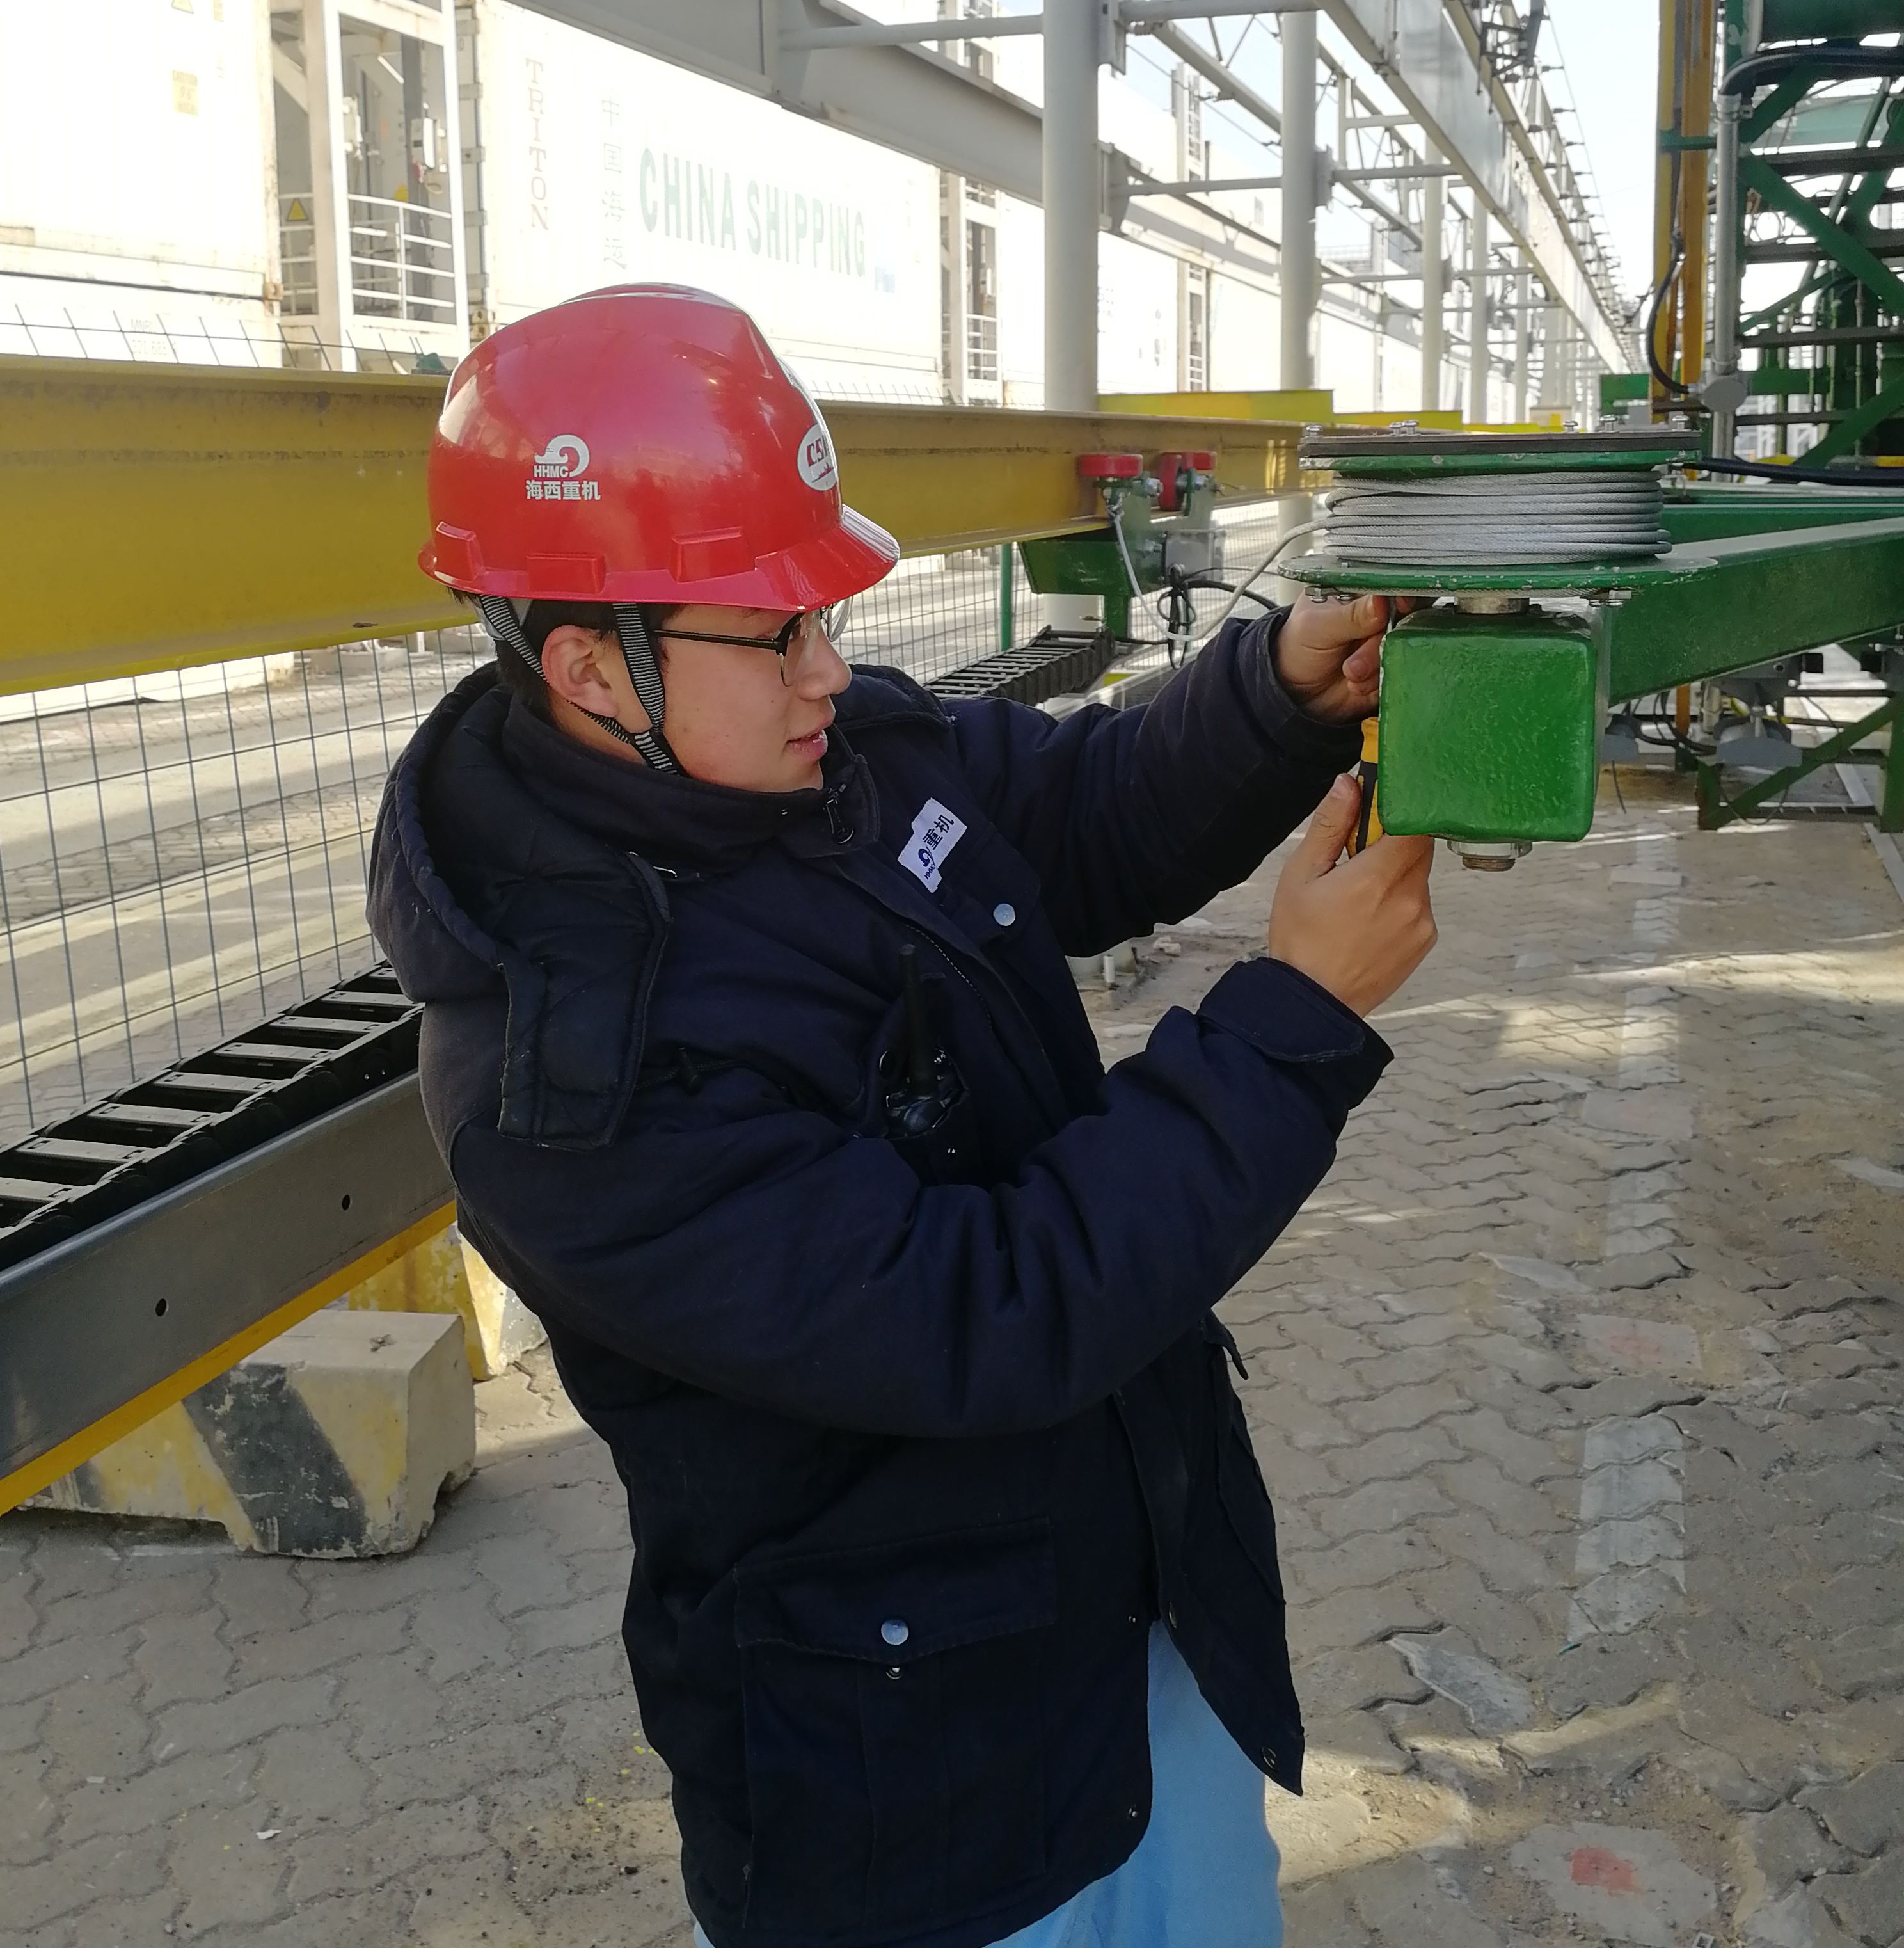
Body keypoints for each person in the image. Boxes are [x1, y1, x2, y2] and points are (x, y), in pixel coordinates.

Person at [368, 282, 1437, 1948]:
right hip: (912, 1791)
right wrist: (1288, 1028)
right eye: (776, 630)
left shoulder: (823, 755)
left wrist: (1280, 694)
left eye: (824, 613)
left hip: (1133, 1625)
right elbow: (984, 1312)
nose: (831, 666)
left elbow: (1074, 814)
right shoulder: (573, 1082)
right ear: (590, 667)